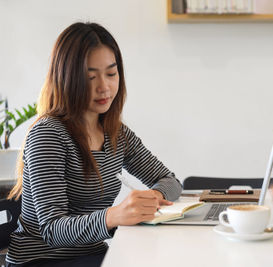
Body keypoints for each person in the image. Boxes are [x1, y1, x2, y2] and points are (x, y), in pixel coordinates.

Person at [6, 22, 182, 267]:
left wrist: (153, 197)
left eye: (111, 73)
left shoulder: (116, 133)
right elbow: (53, 230)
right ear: (67, 79)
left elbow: (171, 181)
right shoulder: (48, 134)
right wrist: (114, 215)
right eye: (90, 77)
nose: (104, 87)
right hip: (40, 260)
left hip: (93, 255)